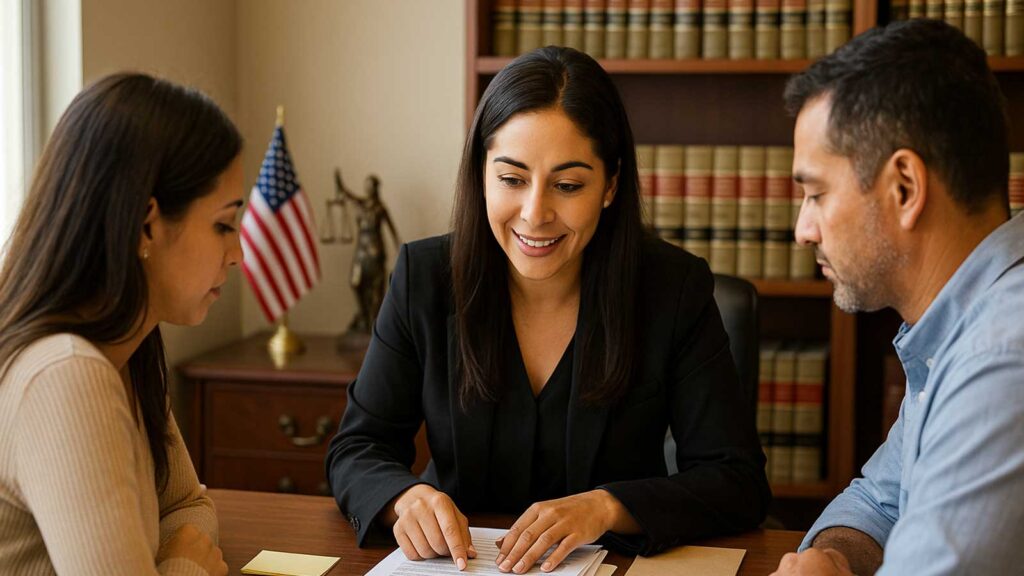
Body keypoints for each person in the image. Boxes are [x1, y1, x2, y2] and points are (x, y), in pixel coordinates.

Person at [326, 46, 770, 574]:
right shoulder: (424, 277)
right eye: (512, 179)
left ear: (609, 185)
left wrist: (607, 507)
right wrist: (403, 498)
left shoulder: (673, 288)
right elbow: (358, 447)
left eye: (568, 185)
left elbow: (736, 479)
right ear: (480, 175)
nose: (535, 214)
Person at [771, 19, 1024, 576]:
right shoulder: (961, 323)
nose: (802, 230)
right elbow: (880, 501)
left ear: (904, 187)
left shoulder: (1001, 360)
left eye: (815, 194)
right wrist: (834, 558)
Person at [0, 73, 244, 575]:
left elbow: (187, 506)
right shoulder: (67, 376)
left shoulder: (126, 349)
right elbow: (188, 542)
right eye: (223, 224)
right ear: (145, 224)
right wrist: (182, 566)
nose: (237, 254)